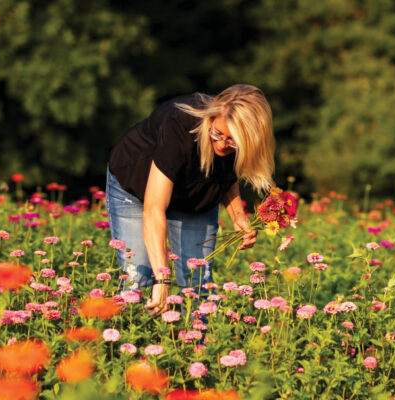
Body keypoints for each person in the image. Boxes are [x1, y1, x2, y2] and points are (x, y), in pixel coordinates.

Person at [105, 84, 275, 316]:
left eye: (233, 142)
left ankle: (194, 350)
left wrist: (238, 216)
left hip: (195, 199)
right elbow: (154, 209)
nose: (222, 145)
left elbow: (226, 174)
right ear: (211, 119)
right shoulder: (180, 125)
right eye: (217, 134)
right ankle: (134, 348)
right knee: (139, 280)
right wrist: (163, 280)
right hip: (136, 188)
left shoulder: (237, 139)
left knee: (197, 285)